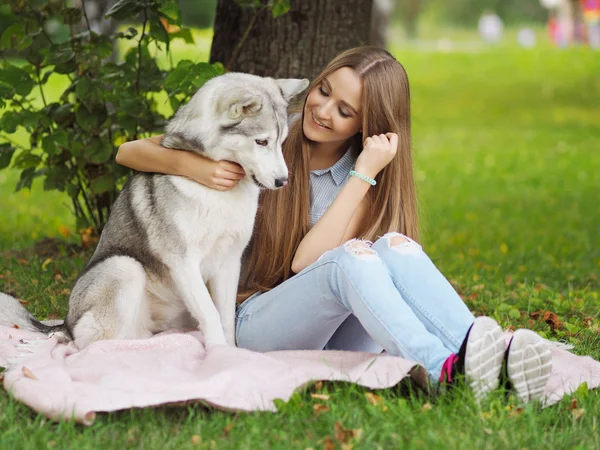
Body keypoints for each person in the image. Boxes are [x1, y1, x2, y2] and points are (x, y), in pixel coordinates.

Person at [115, 47, 552, 402]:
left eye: (344, 111)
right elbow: (129, 151)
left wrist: (363, 174)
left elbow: (313, 260)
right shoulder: (266, 134)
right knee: (348, 262)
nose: (322, 110)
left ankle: (480, 352)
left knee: (396, 245)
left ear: (367, 125)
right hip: (253, 321)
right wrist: (192, 167)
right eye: (323, 91)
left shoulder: (360, 176)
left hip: (338, 330)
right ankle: (444, 370)